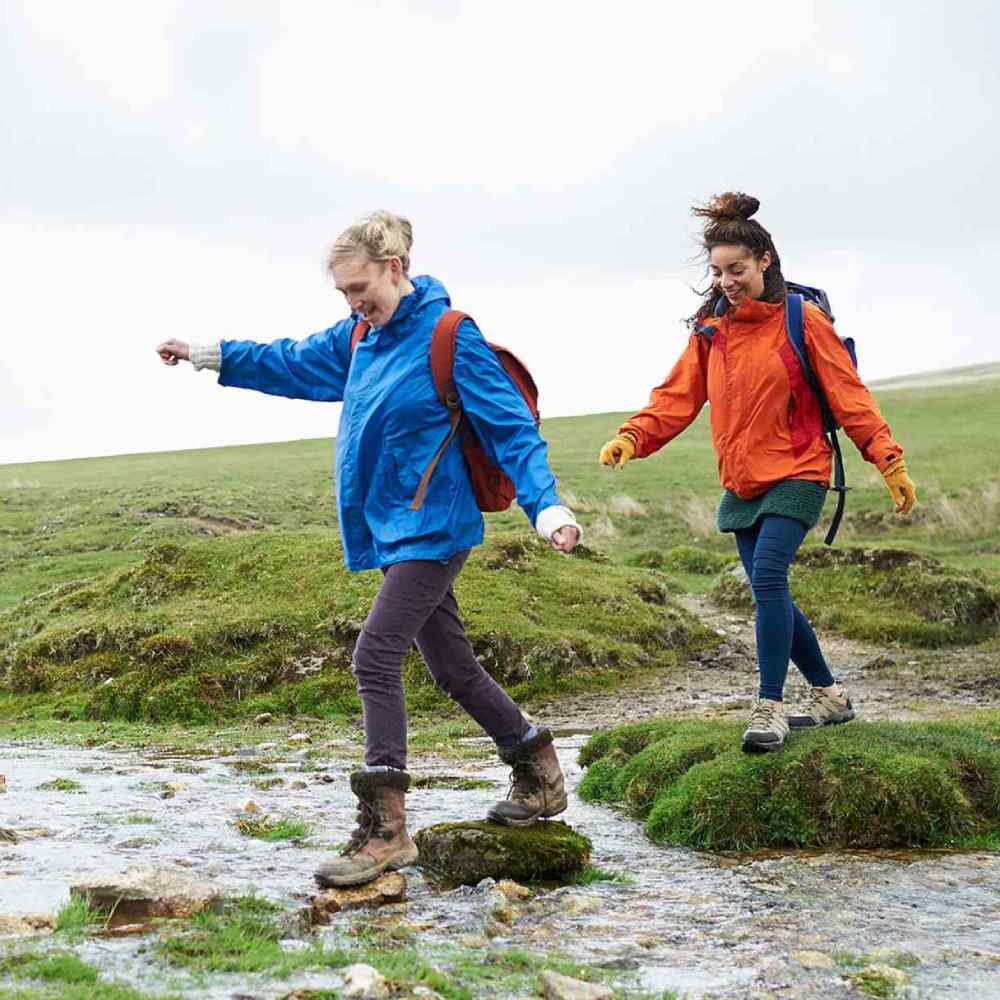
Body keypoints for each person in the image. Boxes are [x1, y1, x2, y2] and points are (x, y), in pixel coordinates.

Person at [157, 210, 581, 886]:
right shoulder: (359, 337)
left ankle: (387, 828)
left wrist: (547, 506)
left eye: (363, 288)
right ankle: (538, 769)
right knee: (453, 669)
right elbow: (291, 361)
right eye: (344, 293)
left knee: (374, 655)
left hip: (435, 528)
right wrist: (210, 353)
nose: (356, 303)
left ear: (396, 268)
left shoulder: (450, 337)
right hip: (390, 529)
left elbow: (511, 430)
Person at [598, 192, 916, 753]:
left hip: (799, 470)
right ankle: (830, 694)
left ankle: (768, 707)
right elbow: (676, 397)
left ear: (765, 260)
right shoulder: (710, 330)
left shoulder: (803, 320)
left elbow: (850, 397)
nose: (726, 281)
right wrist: (633, 436)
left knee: (768, 577)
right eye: (717, 271)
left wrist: (887, 460)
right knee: (771, 592)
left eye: (736, 270)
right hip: (742, 481)